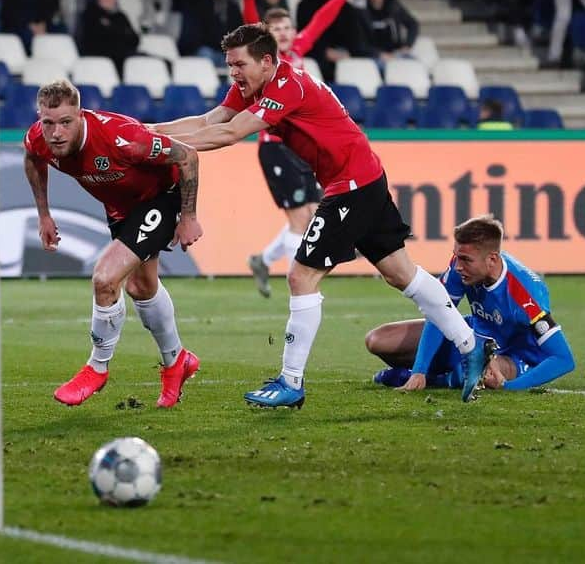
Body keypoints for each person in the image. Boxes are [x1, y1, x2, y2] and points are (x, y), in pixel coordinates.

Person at [152, 24, 489, 408]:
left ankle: (291, 382)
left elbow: (229, 135)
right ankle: (470, 345)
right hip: (364, 177)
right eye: (229, 65)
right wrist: (146, 131)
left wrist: (157, 146)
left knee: (302, 275)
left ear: (266, 60)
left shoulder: (286, 86)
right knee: (401, 273)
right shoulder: (256, 85)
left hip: (352, 185)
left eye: (239, 64)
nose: (233, 73)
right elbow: (209, 121)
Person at [23, 79, 204, 408]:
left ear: (80, 116)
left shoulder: (123, 139)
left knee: (105, 278)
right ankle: (177, 360)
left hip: (161, 198)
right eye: (48, 123)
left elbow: (188, 157)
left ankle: (97, 367)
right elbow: (33, 160)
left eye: (65, 122)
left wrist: (188, 216)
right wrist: (44, 215)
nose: (56, 133)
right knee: (141, 287)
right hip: (121, 209)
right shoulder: (39, 138)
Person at [238, 0, 363, 297]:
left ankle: (263, 260)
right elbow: (251, 27)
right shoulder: (266, 60)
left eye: (287, 28)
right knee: (300, 220)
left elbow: (322, 20)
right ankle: (303, 283)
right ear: (266, 34)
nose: (283, 33)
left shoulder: (297, 54)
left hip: (301, 149)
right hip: (275, 145)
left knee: (310, 214)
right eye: (275, 29)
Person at [366, 215, 575, 395]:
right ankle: (427, 374)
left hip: (514, 355)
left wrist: (510, 387)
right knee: (377, 340)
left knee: (475, 371)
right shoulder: (462, 270)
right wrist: (420, 369)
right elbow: (438, 314)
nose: (458, 266)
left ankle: (427, 378)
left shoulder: (526, 295)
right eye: (456, 257)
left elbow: (563, 359)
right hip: (472, 337)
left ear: (492, 260)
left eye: (465, 259)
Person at [296, 0, 369, 80]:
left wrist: (350, 53)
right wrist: (324, 52)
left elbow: (354, 33)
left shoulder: (346, 7)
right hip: (316, 53)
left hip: (345, 51)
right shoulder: (304, 6)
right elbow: (304, 34)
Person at [76, 0, 140, 74]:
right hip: (102, 60)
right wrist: (120, 33)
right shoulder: (90, 15)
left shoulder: (120, 16)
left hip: (124, 56)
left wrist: (112, 29)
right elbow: (94, 41)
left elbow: (135, 40)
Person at [180, 0, 243, 64]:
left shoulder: (232, 7)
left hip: (226, 52)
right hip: (203, 50)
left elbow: (239, 32)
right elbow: (195, 36)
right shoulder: (197, 2)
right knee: (206, 54)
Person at [359, 0, 419, 67]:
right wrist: (378, 54)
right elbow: (358, 40)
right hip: (372, 55)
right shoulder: (361, 9)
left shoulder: (394, 6)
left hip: (394, 52)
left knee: (414, 65)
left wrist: (407, 45)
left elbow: (413, 24)